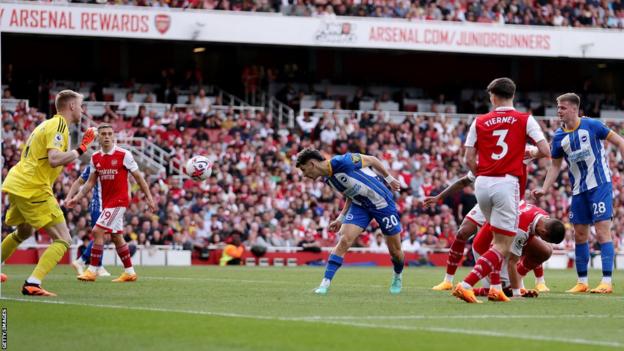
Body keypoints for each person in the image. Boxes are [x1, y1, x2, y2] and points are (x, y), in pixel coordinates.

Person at [453, 77, 550, 303]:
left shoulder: (479, 121)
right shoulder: (525, 119)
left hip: (482, 183)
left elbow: (468, 158)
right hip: (506, 184)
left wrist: (484, 174)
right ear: (512, 95)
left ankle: (496, 287)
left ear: (492, 96)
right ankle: (465, 284)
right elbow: (545, 149)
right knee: (503, 244)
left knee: (494, 239)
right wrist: (533, 153)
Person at [1, 90, 96, 296]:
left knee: (24, 231)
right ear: (71, 106)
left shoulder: (46, 124)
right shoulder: (59, 124)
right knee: (64, 239)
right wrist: (82, 148)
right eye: (80, 105)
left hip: (18, 182)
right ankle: (33, 283)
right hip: (32, 187)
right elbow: (54, 159)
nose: (82, 109)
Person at [533, 93, 624, 294]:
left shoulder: (592, 125)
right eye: (558, 108)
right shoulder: (558, 136)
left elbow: (619, 141)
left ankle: (606, 282)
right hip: (578, 190)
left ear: (574, 109)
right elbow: (555, 166)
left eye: (563, 108)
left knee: (602, 231)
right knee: (580, 234)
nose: (559, 111)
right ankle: (582, 281)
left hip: (600, 185)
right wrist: (545, 188)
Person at [295, 148, 405, 295]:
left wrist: (389, 179)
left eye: (303, 169)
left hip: (382, 202)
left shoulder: (343, 161)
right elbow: (350, 194)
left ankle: (397, 276)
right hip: (360, 205)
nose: (304, 175)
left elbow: (372, 159)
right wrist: (341, 218)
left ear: (312, 163)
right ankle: (324, 285)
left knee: (395, 252)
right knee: (345, 240)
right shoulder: (328, 178)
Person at [67, 124, 156, 282]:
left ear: (114, 136)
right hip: (107, 203)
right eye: (103, 134)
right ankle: (129, 272)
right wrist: (77, 198)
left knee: (97, 231)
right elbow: (89, 183)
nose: (107, 136)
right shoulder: (95, 158)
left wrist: (148, 197)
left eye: (109, 134)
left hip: (120, 201)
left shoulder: (124, 154)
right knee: (116, 237)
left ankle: (92, 270)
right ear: (98, 137)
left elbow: (139, 178)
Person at [470, 201, 565, 298]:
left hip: (505, 241)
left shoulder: (543, 215)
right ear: (543, 232)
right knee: (502, 291)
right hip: (485, 248)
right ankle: (466, 287)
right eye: (545, 239)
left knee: (545, 251)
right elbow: (512, 263)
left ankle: (515, 282)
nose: (541, 239)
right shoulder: (521, 230)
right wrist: (516, 293)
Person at [65, 165, 110, 277]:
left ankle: (98, 266)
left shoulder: (113, 160)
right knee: (100, 235)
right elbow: (80, 181)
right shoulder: (95, 162)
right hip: (99, 206)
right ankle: (82, 260)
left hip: (106, 205)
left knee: (101, 236)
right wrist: (69, 197)